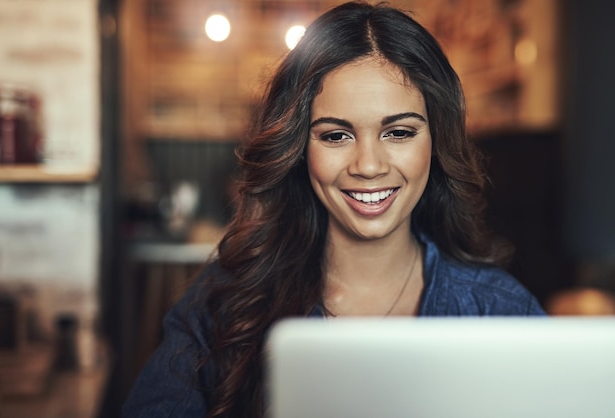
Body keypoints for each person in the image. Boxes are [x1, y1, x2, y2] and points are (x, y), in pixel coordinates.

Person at [122, 2, 546, 417]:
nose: (368, 166)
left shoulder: (500, 311)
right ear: (298, 149)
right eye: (335, 136)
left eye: (398, 132)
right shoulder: (224, 304)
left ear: (436, 144)